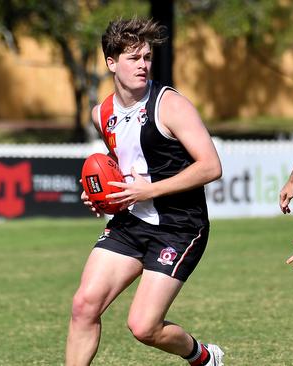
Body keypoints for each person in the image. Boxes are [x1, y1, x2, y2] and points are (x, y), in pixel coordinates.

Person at [66, 17, 224, 366]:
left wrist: (147, 189)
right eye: (133, 58)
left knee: (143, 326)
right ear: (111, 62)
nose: (143, 65)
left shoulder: (169, 104)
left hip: (179, 226)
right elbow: (120, 161)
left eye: (147, 58)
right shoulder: (101, 113)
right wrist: (101, 192)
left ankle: (203, 357)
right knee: (83, 306)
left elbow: (211, 166)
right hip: (131, 223)